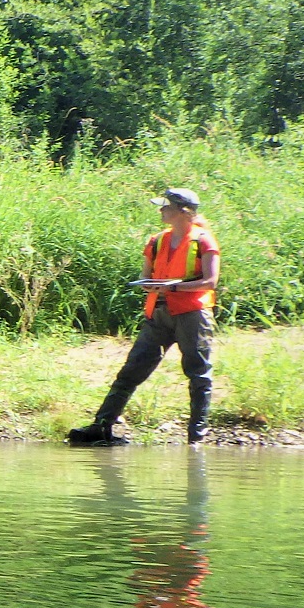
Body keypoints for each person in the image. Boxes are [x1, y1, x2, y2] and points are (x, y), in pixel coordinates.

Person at [69, 188, 221, 445]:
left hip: (193, 315)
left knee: (198, 374)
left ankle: (196, 439)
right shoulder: (156, 241)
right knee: (131, 370)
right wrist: (150, 286)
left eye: (166, 206)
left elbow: (210, 282)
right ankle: (101, 426)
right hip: (159, 314)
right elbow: (147, 276)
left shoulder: (204, 241)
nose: (161, 210)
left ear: (183, 212)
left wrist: (173, 287)